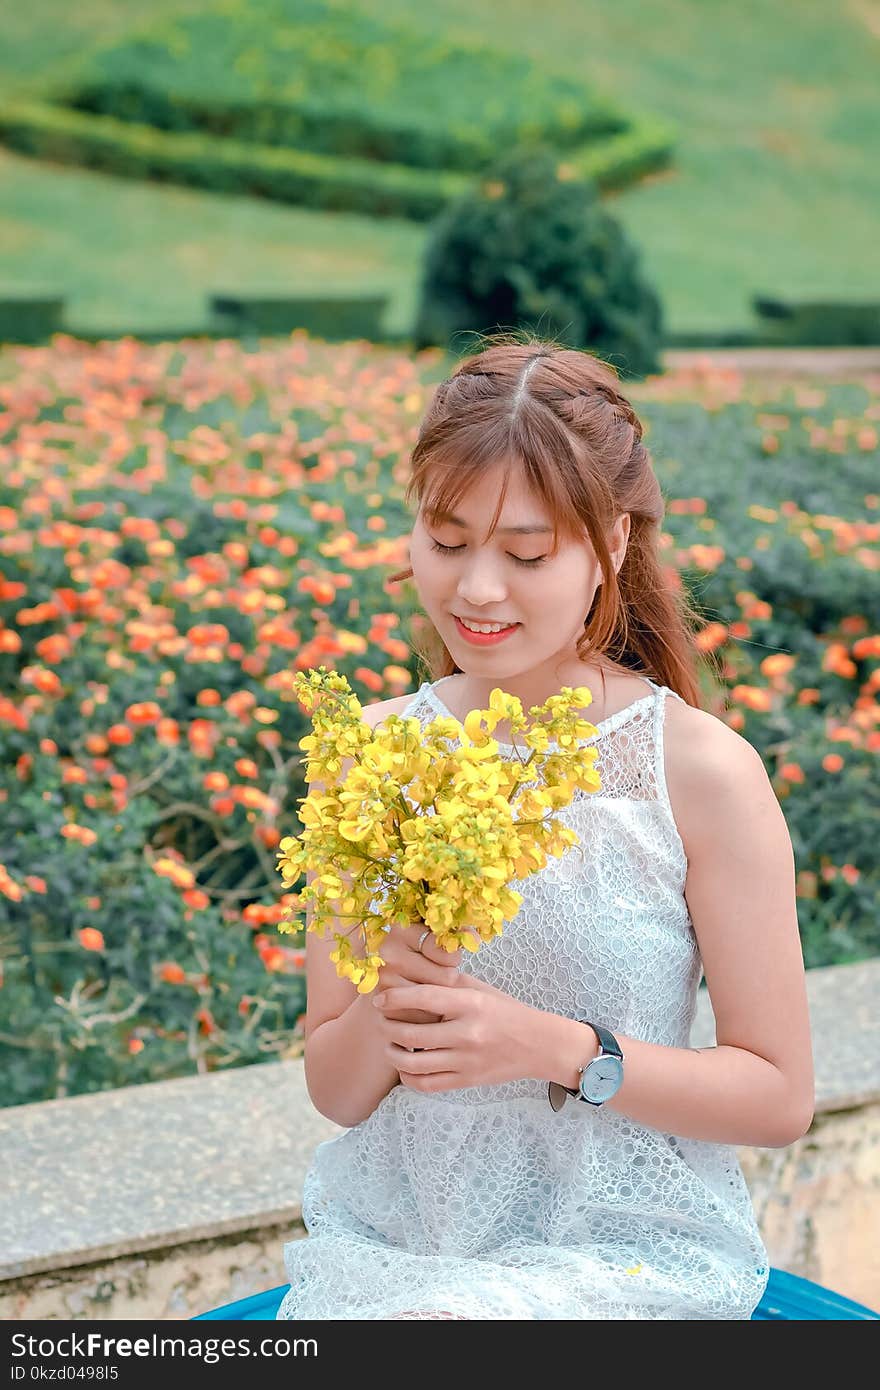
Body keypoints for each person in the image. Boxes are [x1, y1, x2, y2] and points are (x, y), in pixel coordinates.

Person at [276, 335, 814, 1320]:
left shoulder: (696, 771)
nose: (476, 590)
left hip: (626, 1256)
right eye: (445, 542)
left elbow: (777, 1094)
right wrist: (395, 985)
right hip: (402, 1249)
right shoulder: (377, 755)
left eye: (525, 552)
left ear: (609, 544)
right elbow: (336, 1087)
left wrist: (553, 1046)